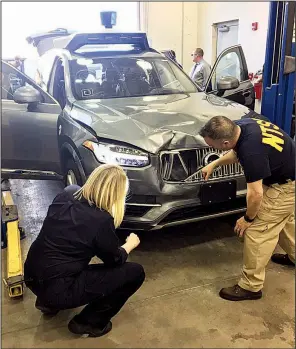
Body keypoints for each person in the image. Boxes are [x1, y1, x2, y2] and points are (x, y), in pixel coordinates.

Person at [24, 164, 145, 337]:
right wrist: (130, 244)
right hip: (58, 290)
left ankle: (47, 304)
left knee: (62, 258)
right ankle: (89, 323)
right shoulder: (102, 220)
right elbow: (115, 260)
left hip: (31, 276)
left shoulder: (67, 193)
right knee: (135, 273)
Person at [199, 116, 295, 301]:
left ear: (226, 142)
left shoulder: (252, 152)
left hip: (284, 187)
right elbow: (236, 152)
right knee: (282, 221)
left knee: (258, 231)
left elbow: (255, 194)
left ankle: (251, 286)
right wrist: (215, 163)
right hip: (287, 177)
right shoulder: (244, 125)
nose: (213, 149)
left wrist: (248, 219)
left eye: (214, 147)